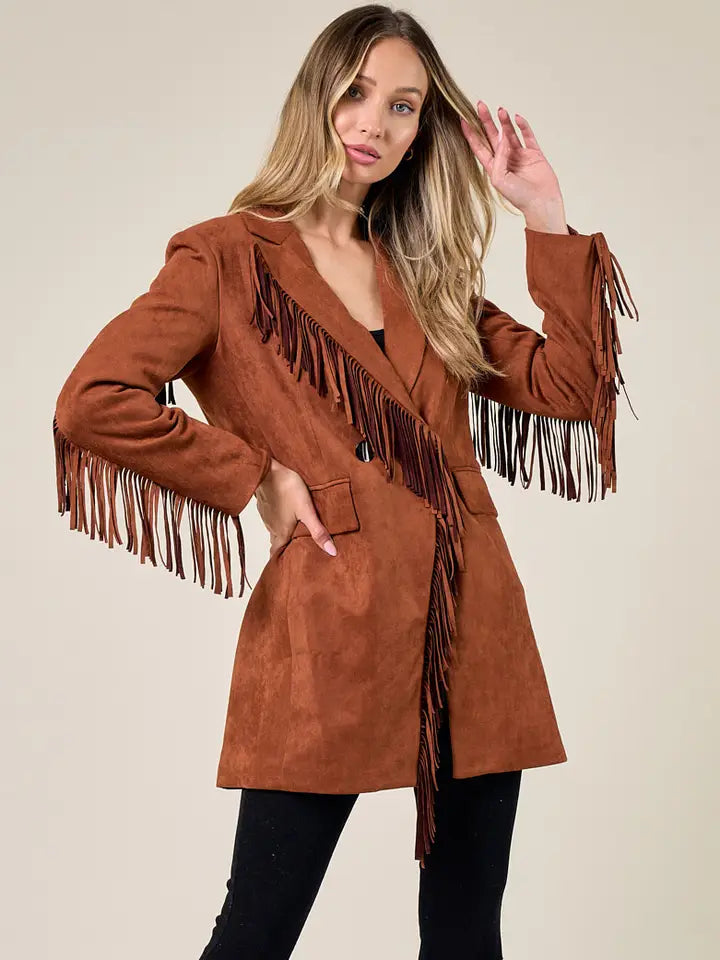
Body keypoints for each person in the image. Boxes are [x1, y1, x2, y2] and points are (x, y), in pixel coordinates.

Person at [52, 5, 638, 959]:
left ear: (422, 130)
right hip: (330, 625)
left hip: (473, 623)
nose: (374, 123)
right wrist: (255, 476)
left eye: (404, 106)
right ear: (315, 96)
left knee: (466, 938)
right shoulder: (224, 256)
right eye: (356, 92)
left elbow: (572, 389)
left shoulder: (423, 271)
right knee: (256, 932)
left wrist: (542, 214)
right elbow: (92, 401)